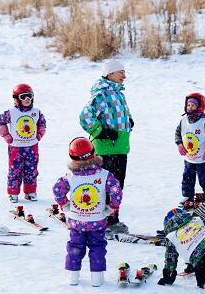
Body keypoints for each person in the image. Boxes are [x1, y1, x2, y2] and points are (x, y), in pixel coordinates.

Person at [52, 137, 122, 287]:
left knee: (75, 246)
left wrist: (64, 204)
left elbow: (57, 189)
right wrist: (111, 208)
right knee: (97, 247)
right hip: (97, 220)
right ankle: (97, 278)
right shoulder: (104, 175)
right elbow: (116, 191)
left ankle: (73, 277)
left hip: (76, 221)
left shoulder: (70, 176)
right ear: (93, 152)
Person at [79, 60, 132, 235]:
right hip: (105, 150)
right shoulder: (101, 94)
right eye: (121, 72)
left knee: (117, 188)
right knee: (104, 187)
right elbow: (85, 117)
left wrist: (129, 120)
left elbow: (119, 112)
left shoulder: (119, 93)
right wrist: (101, 132)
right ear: (110, 74)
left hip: (120, 147)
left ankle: (113, 220)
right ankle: (100, 221)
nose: (124, 76)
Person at [0, 83, 46, 203]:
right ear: (16, 99)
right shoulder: (11, 112)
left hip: (32, 147)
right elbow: (0, 122)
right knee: (15, 170)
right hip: (16, 147)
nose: (27, 99)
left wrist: (39, 134)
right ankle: (13, 193)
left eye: (30, 96)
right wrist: (6, 135)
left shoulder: (36, 112)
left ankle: (30, 192)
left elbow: (42, 123)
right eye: (23, 97)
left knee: (31, 170)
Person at [175, 93, 205, 205]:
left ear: (199, 107)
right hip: (189, 158)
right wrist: (179, 144)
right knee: (187, 178)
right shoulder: (183, 121)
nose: (190, 107)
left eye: (193, 105)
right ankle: (187, 196)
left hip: (202, 159)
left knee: (204, 179)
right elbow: (178, 133)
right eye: (188, 105)